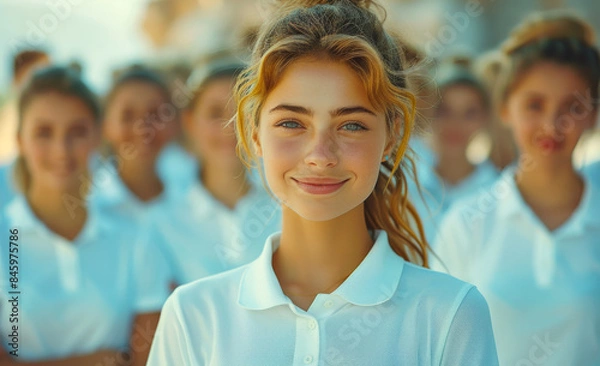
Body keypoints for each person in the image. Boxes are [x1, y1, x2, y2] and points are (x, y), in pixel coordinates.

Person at [147, 1, 498, 365]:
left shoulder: (450, 315)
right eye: (291, 123)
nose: (320, 155)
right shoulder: (194, 316)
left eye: (351, 125)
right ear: (254, 133)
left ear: (392, 136)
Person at [432, 10, 600, 366]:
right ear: (505, 108)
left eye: (573, 106)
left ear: (593, 114)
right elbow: (437, 348)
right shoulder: (466, 224)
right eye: (535, 105)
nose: (552, 124)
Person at [0, 66, 156, 366]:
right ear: (20, 140)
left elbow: (146, 359)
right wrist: (98, 360)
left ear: (98, 135)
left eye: (77, 131)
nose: (61, 150)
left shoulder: (135, 236)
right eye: (44, 133)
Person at [134, 58, 281, 306]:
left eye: (242, 112)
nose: (230, 126)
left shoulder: (288, 206)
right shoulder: (159, 223)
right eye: (214, 113)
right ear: (190, 122)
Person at [410, 58, 498, 244]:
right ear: (428, 113)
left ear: (484, 118)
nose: (455, 124)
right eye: (444, 111)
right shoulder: (405, 185)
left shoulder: (497, 190)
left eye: (469, 113)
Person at [90, 68, 180, 218]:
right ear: (106, 125)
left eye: (154, 115)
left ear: (174, 124)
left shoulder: (190, 198)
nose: (142, 128)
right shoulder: (92, 207)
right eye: (127, 116)